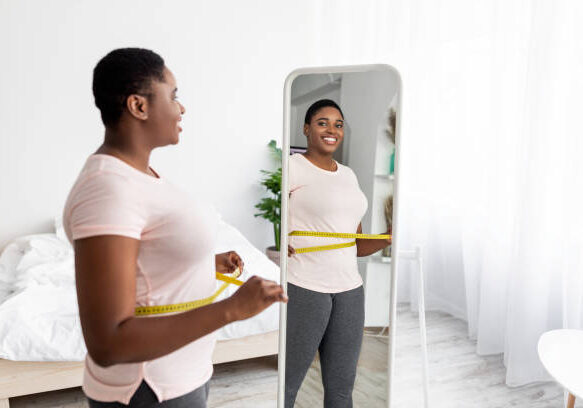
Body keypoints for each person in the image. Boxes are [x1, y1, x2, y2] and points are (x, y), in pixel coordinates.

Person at [63, 48, 287, 408]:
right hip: (149, 389)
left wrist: (198, 262)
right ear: (139, 106)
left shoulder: (137, 176)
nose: (182, 108)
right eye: (174, 95)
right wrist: (233, 309)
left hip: (180, 375)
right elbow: (108, 343)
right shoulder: (107, 189)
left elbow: (143, 263)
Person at [284, 99, 391, 408]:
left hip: (350, 291)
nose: (332, 130)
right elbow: (277, 225)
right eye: (322, 122)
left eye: (338, 124)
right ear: (306, 129)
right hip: (306, 286)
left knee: (342, 389)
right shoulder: (291, 168)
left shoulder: (348, 175)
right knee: (288, 385)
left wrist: (386, 239)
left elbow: (353, 243)